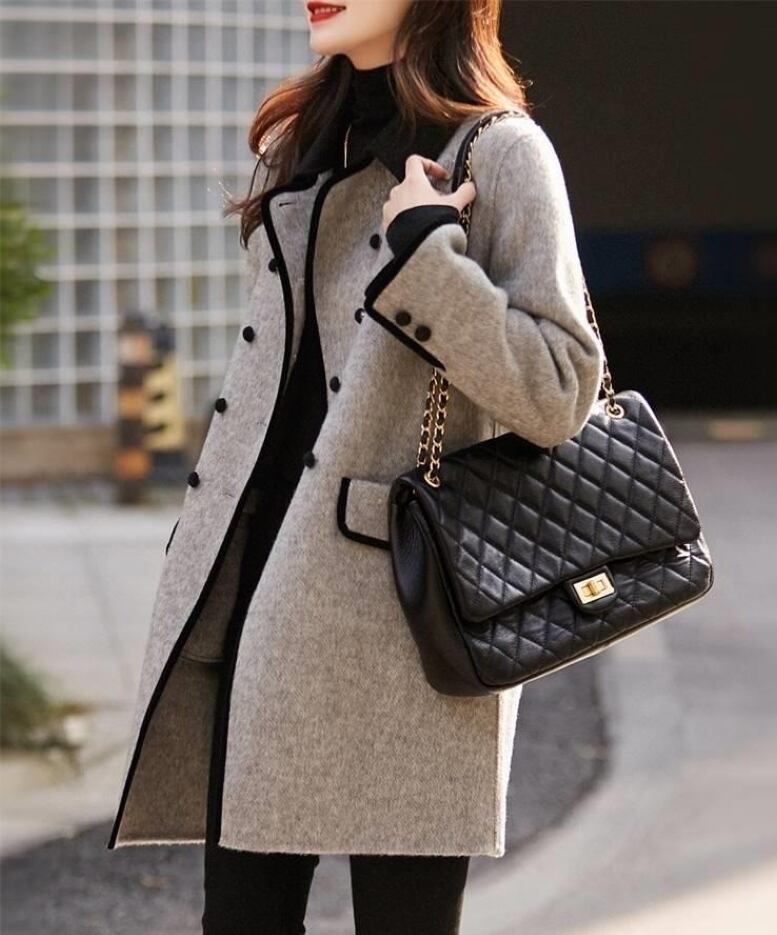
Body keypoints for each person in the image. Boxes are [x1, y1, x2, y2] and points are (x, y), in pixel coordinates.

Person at [106, 1, 605, 932]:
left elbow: (559, 388)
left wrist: (429, 257)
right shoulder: (306, 139)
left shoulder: (500, 153)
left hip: (411, 617)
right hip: (258, 592)